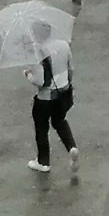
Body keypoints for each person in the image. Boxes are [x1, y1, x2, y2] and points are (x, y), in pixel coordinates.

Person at [30, 33, 77, 179]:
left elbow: (40, 81)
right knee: (59, 121)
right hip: (62, 93)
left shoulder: (38, 52)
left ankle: (43, 162)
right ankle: (72, 147)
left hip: (45, 98)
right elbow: (70, 69)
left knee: (41, 128)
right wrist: (67, 84)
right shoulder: (64, 45)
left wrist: (28, 75)